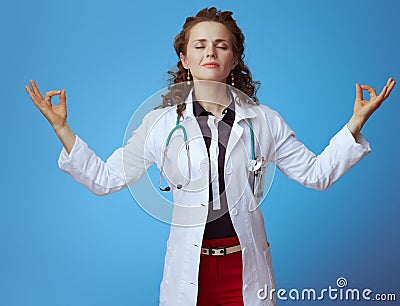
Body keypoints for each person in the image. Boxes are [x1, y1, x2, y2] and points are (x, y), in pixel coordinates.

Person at [24, 7, 395, 306]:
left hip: (245, 269)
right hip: (190, 271)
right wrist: (63, 130)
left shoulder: (263, 121)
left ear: (235, 58)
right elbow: (105, 179)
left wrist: (355, 123)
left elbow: (316, 174)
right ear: (184, 58)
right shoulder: (159, 124)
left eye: (221, 45)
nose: (210, 52)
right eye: (199, 45)